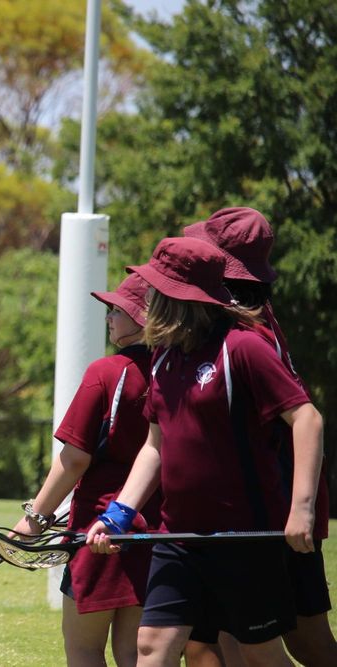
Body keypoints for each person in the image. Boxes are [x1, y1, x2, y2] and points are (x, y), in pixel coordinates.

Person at [86, 236, 324, 667]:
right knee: (151, 646)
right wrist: (119, 513)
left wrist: (302, 508)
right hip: (178, 538)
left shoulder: (243, 348)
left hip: (244, 538)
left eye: (155, 289)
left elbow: (308, 419)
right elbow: (155, 446)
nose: (147, 299)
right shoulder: (163, 358)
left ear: (180, 297)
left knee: (260, 654)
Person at [181, 207, 335, 667]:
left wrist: (300, 507)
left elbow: (304, 418)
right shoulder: (243, 318)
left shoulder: (247, 333)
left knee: (298, 642)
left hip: (270, 501)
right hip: (263, 501)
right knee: (224, 639)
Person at [12, 273, 159, 667]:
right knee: (135, 653)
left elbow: (75, 458)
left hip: (98, 529)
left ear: (141, 318)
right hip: (157, 529)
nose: (109, 317)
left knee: (83, 649)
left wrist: (34, 519)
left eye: (117, 311)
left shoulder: (107, 371)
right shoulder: (175, 369)